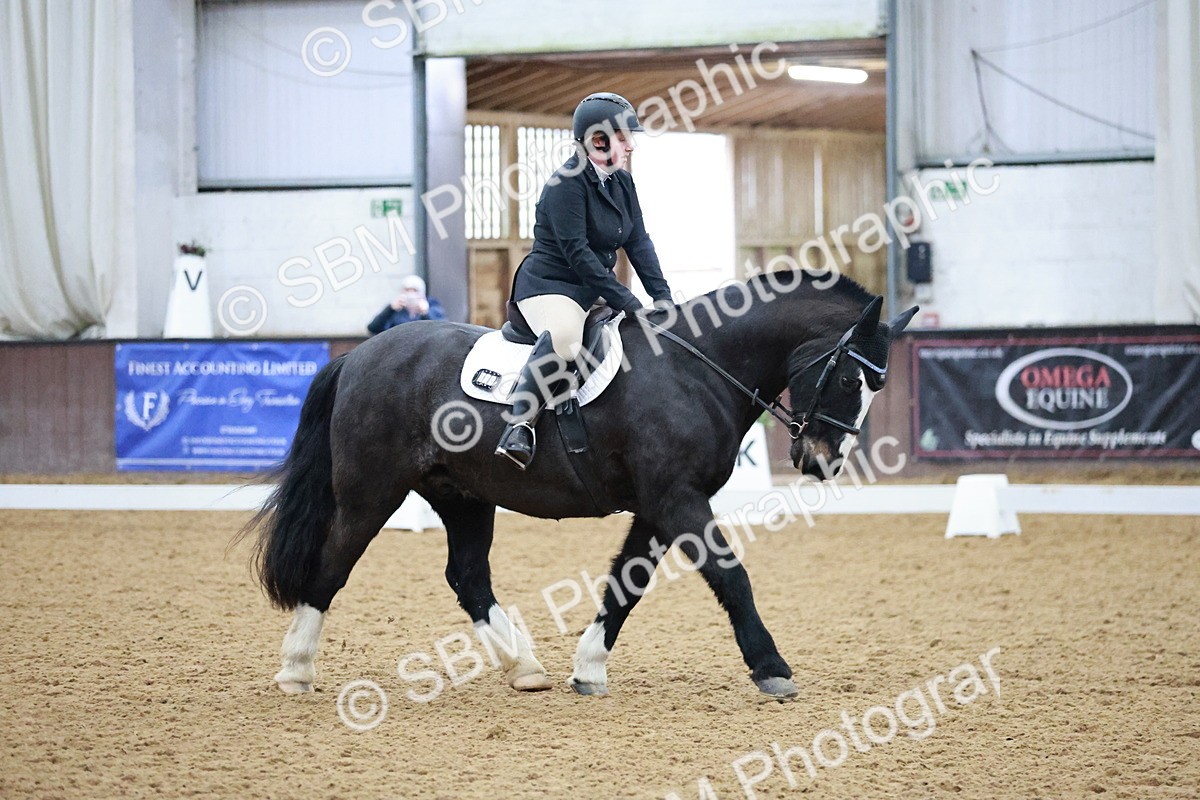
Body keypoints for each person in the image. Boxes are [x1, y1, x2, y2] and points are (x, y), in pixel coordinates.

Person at [495, 91, 674, 470]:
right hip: (552, 286)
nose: (631, 145)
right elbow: (579, 256)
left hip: (592, 290)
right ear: (597, 140)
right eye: (624, 136)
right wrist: (628, 301)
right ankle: (519, 425)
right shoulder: (566, 185)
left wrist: (662, 296)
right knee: (565, 339)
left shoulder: (621, 183)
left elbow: (638, 241)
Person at [367, 275, 445, 334]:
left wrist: (426, 313)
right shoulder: (396, 310)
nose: (411, 294)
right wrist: (390, 309)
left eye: (415, 290)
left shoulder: (433, 306)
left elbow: (442, 332)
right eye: (407, 290)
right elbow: (373, 328)